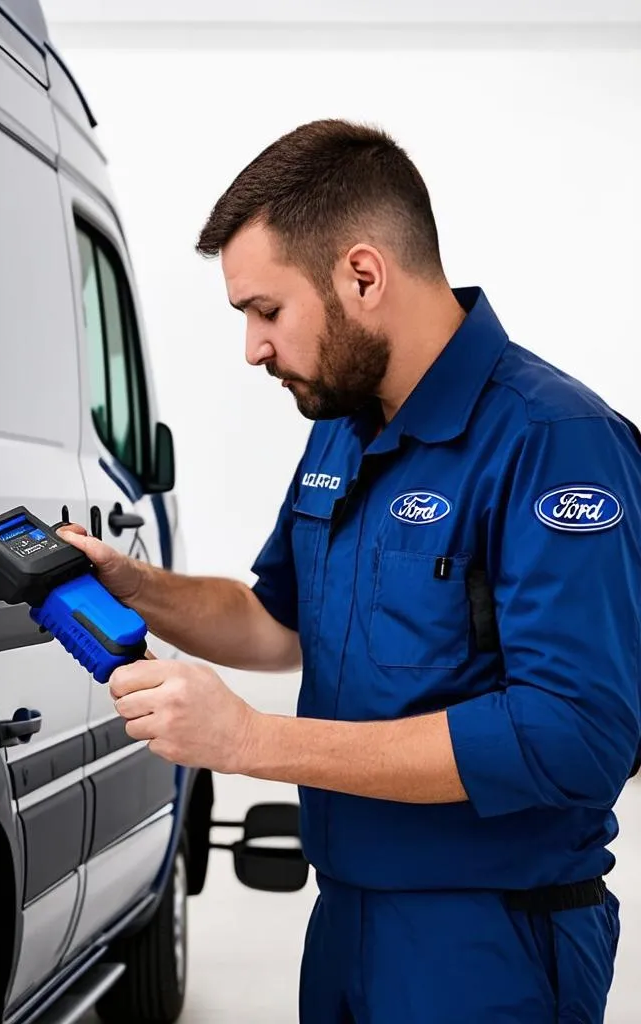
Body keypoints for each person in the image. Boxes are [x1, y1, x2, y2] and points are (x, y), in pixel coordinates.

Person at [58, 118, 641, 1022]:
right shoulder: (343, 428)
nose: (253, 348)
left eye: (265, 311)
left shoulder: (555, 443)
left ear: (362, 275)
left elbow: (573, 734)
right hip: (344, 919)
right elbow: (279, 622)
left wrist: (251, 743)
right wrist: (134, 585)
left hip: (489, 946)